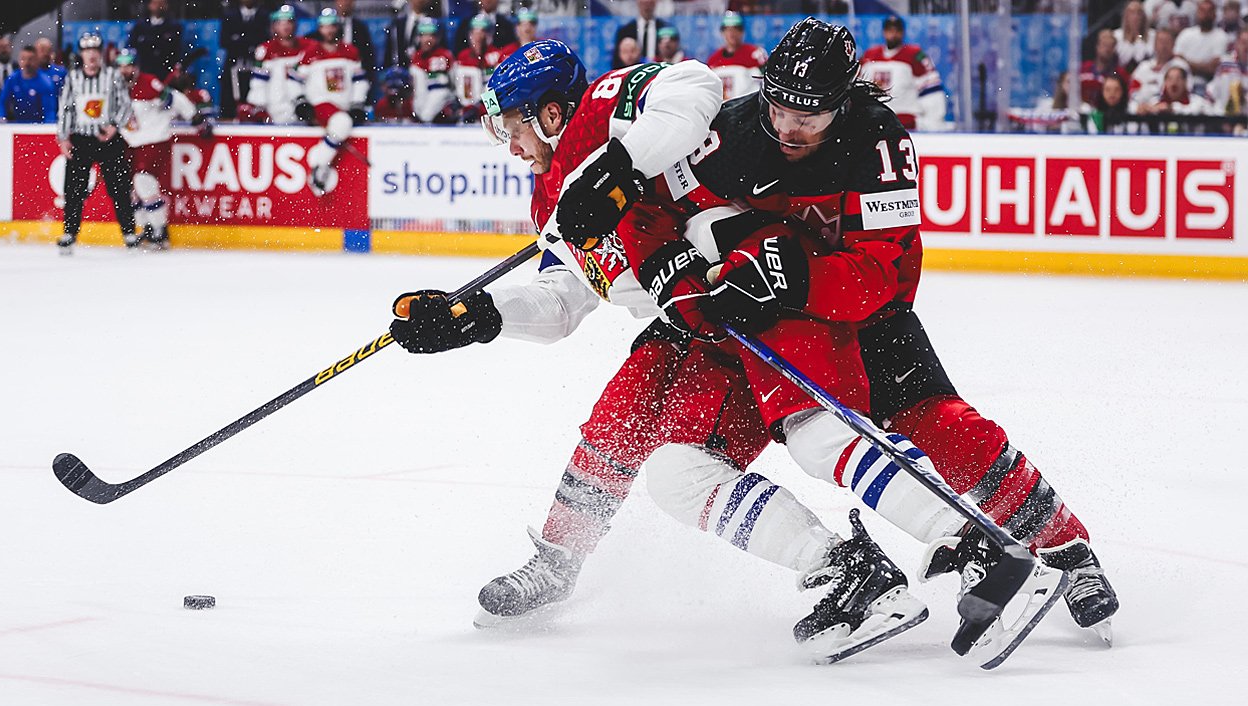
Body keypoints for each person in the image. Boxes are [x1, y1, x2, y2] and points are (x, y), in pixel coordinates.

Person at [392, 39, 932, 662]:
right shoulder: (550, 198)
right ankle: (558, 562)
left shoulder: (603, 111)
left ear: (549, 114)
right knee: (616, 428)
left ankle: (868, 561)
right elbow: (564, 299)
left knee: (749, 453)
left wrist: (618, 167)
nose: (510, 147)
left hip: (743, 294)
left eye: (512, 128)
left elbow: (695, 86)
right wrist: (479, 316)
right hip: (681, 318)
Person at [613, 18, 1118, 639]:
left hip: (869, 317)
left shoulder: (879, 141)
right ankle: (852, 572)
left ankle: (1068, 553)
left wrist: (790, 277)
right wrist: (666, 267)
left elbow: (879, 272)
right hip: (769, 327)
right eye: (778, 108)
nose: (788, 128)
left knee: (946, 427)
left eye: (809, 117)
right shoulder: (732, 131)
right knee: (684, 470)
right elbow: (651, 208)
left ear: (843, 101)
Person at [115, 47, 210, 249]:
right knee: (132, 189)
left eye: (129, 65)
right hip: (131, 143)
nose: (125, 70)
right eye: (121, 66)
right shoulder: (114, 87)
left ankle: (160, 229)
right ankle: (147, 227)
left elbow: (175, 99)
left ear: (136, 67)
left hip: (154, 140)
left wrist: (195, 117)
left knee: (143, 181)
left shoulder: (149, 83)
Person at [54, 33, 138, 255]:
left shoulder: (112, 75)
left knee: (119, 187)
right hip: (81, 139)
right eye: (87, 51)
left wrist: (114, 126)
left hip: (108, 139)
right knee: (74, 189)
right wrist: (63, 137)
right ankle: (69, 232)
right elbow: (66, 109)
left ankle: (129, 232)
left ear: (100, 54)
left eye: (95, 50)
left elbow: (125, 104)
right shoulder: (73, 78)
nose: (91, 55)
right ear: (81, 54)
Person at [292, 8, 369, 195]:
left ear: (338, 27)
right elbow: (294, 81)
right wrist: (301, 102)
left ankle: (319, 163)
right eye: (325, 26)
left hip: (343, 105)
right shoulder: (309, 53)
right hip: (321, 104)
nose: (329, 30)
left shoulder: (351, 51)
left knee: (342, 122)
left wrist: (357, 103)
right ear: (319, 28)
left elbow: (360, 81)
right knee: (342, 123)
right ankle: (319, 164)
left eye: (332, 26)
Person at [859, 15, 946, 130]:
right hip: (874, 124)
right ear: (884, 32)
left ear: (903, 33)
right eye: (890, 30)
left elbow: (932, 94)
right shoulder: (869, 56)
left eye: (897, 31)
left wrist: (931, 124)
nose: (893, 34)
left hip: (905, 126)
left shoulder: (914, 56)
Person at [245, 4, 314, 124]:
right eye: (281, 23)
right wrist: (260, 106)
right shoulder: (265, 50)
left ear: (295, 24)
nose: (286, 26)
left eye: (289, 22)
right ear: (274, 26)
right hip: (275, 108)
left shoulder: (309, 47)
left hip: (303, 105)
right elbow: (259, 83)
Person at [220, 0, 271, 120]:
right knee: (231, 97)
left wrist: (239, 40)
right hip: (234, 64)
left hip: (255, 64)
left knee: (255, 94)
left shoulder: (264, 16)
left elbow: (264, 40)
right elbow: (224, 41)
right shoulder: (230, 15)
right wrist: (247, 43)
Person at [307, 0, 376, 81]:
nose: (345, 3)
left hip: (351, 76)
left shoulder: (361, 29)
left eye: (333, 27)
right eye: (327, 27)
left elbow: (367, 58)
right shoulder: (314, 43)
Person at [454, 14, 505, 121]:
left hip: (492, 109)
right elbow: (459, 85)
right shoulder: (463, 57)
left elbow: (499, 87)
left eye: (482, 32)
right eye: (475, 32)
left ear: (489, 34)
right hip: (468, 106)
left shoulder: (497, 55)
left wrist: (482, 107)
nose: (478, 37)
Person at [705, 11, 766, 100]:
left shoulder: (755, 54)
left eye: (736, 29)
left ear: (742, 32)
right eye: (728, 29)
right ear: (722, 32)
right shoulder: (713, 59)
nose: (732, 33)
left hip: (747, 105)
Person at [1174, 0, 1232, 91]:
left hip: (1208, 85)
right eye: (1202, 11)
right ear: (1197, 13)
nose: (1205, 15)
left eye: (1209, 11)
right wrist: (1203, 66)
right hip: (1183, 83)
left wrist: (1187, 63)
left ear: (1215, 14)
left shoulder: (1221, 36)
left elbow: (1213, 69)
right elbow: (1177, 61)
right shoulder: (1186, 34)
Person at [409, 18, 457, 124]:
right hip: (421, 98)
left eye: (431, 35)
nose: (427, 40)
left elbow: (454, 81)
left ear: (437, 37)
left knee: (427, 114)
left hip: (442, 97)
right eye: (424, 35)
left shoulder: (445, 55)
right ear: (419, 37)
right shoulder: (415, 57)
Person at [0, 45, 58, 123]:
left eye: (30, 59)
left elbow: (49, 111)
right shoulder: (12, 79)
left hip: (38, 125)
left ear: (37, 61)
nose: (27, 63)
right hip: (18, 124)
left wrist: (47, 126)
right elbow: (1, 102)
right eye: (23, 59)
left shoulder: (45, 83)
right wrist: (1, 116)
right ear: (19, 60)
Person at [1130, 27, 1190, 105]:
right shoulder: (1144, 66)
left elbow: (1187, 90)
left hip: (1171, 108)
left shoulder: (1180, 65)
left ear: (1173, 45)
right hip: (1143, 108)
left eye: (1167, 42)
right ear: (1154, 45)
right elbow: (1132, 91)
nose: (1163, 46)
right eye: (1161, 41)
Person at [127, 0, 186, 78]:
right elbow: (132, 46)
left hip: (166, 69)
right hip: (144, 68)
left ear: (166, 5)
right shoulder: (140, 25)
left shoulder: (174, 26)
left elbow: (177, 49)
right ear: (149, 5)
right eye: (155, 3)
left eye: (161, 3)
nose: (158, 6)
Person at [614, 0, 670, 69]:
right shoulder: (625, 30)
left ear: (655, 3)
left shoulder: (665, 28)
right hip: (632, 71)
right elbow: (617, 59)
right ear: (638, 2)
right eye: (644, 3)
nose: (647, 6)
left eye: (650, 3)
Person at [1080, 29, 1129, 106]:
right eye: (1104, 45)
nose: (1107, 49)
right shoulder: (1083, 68)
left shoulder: (1120, 73)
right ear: (1097, 46)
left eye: (1111, 46)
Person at [1207, 27, 1248, 114]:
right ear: (1236, 44)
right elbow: (1213, 91)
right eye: (1244, 43)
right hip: (1222, 115)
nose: (1246, 48)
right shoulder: (1225, 63)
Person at [452, 0, 517, 53]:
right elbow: (458, 51)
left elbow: (510, 52)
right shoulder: (466, 23)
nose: (488, 0)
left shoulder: (506, 25)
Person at [385, 0, 434, 69]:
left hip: (424, 69)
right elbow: (389, 53)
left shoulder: (434, 23)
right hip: (401, 69)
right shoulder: (397, 24)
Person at [1114, 1, 1154, 72]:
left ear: (1143, 16)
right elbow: (1122, 61)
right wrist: (1129, 40)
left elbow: (1143, 58)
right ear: (1126, 16)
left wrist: (1138, 38)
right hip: (1120, 74)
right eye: (1132, 13)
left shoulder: (1153, 35)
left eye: (1139, 13)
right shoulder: (1116, 35)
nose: (1135, 17)